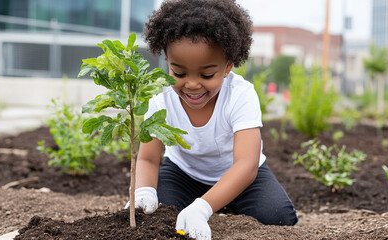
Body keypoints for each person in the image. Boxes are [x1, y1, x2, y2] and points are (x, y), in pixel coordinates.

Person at [128, 0, 298, 239]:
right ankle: (213, 201)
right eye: (179, 72)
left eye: (207, 74)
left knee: (277, 217)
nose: (192, 84)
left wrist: (203, 208)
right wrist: (144, 193)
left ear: (227, 67)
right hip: (184, 173)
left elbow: (246, 165)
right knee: (158, 215)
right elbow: (148, 158)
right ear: (167, 61)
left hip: (240, 176)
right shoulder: (160, 98)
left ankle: (220, 201)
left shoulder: (240, 94)